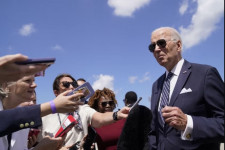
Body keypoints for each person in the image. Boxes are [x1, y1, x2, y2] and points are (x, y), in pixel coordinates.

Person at [148, 27, 224, 150]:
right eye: (152, 47)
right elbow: (154, 129)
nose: (156, 49)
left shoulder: (204, 74)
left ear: (178, 45)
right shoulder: (156, 85)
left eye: (161, 43)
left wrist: (188, 123)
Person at [38, 74, 129, 149]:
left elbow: (99, 118)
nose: (71, 87)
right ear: (56, 93)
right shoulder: (45, 115)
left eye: (74, 84)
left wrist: (117, 115)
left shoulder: (83, 108)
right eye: (66, 84)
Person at [0, 75, 69, 150]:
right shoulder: (23, 117)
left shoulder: (24, 122)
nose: (35, 85)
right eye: (27, 80)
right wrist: (52, 106)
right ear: (5, 85)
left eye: (34, 80)